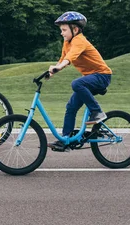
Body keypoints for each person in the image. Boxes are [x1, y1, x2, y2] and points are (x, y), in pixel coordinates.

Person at [47, 11, 112, 151]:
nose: (62, 33)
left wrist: (59, 67)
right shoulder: (67, 42)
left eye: (64, 30)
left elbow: (70, 58)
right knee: (70, 107)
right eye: (61, 30)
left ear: (75, 29)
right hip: (90, 78)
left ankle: (97, 112)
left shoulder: (79, 40)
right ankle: (66, 140)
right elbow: (63, 59)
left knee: (77, 83)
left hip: (102, 76)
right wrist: (51, 72)